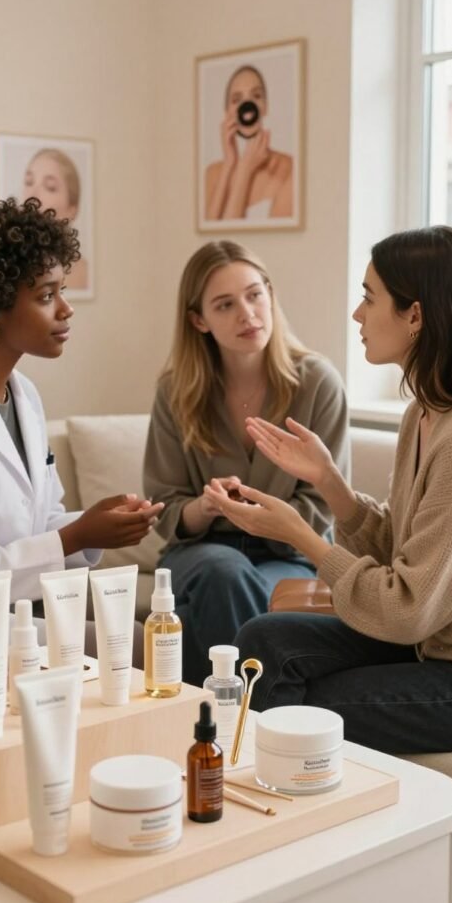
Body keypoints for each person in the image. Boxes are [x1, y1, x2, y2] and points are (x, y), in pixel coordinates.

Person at [206, 225, 452, 755]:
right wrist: (330, 483)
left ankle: (262, 789)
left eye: (369, 297)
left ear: (415, 316)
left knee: (305, 705)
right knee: (263, 642)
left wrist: (303, 537)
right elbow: (404, 553)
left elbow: (407, 608)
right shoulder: (423, 414)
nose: (357, 314)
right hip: (427, 644)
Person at [0, 197, 162, 602]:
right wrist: (76, 536)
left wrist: (95, 525)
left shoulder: (23, 395)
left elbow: (39, 521)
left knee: (142, 640)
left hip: (19, 613)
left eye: (62, 291)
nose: (66, 309)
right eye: (46, 296)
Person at [143, 240, 348, 686]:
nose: (248, 314)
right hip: (199, 553)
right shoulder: (176, 392)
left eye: (255, 295)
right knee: (223, 571)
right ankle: (259, 711)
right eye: (225, 304)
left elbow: (324, 506)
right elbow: (164, 505)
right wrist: (206, 507)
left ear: (270, 295)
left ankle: (212, 709)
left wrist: (260, 517)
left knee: (213, 600)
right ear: (199, 320)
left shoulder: (318, 383)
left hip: (289, 555)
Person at [205, 65, 293, 222]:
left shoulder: (288, 168)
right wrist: (231, 163)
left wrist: (245, 169)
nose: (246, 105)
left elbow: (232, 235)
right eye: (236, 100)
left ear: (265, 107)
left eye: (256, 96)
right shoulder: (212, 173)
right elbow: (211, 235)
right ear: (227, 112)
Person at [22, 148, 88, 291]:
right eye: (29, 182)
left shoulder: (82, 273)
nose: (33, 195)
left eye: (50, 187)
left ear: (72, 209)